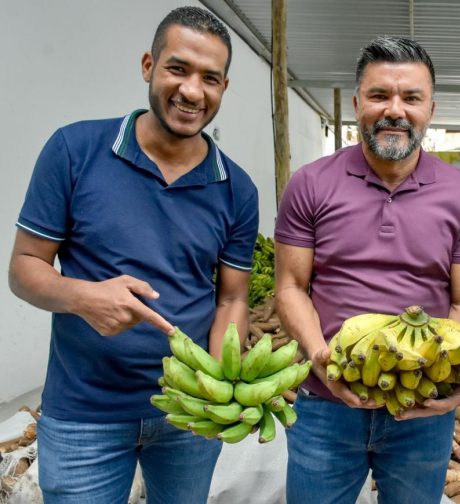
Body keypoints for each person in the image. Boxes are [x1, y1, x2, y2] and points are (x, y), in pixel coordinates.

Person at [8, 7, 258, 503]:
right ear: (148, 65)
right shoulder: (75, 150)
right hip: (85, 413)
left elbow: (231, 300)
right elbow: (24, 268)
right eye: (178, 68)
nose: (192, 91)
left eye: (210, 78)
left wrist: (216, 390)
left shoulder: (237, 189)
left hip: (186, 416)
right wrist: (84, 297)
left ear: (224, 89)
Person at [274, 36, 460, 503]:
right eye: (379, 96)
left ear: (431, 108)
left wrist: (454, 374)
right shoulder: (310, 184)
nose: (395, 110)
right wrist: (319, 356)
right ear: (357, 104)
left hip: (420, 408)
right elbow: (291, 286)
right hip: (326, 405)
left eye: (411, 97)